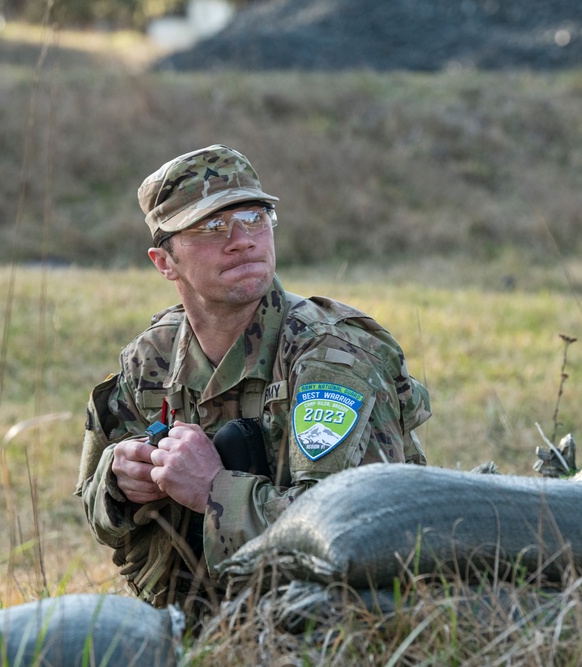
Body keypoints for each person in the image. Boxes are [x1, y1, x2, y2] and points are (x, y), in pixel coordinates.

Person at [75, 145, 431, 610]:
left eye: (255, 217)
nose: (242, 239)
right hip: (189, 625)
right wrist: (121, 482)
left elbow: (357, 530)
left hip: (333, 630)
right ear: (165, 262)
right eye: (212, 227)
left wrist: (213, 491)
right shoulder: (149, 360)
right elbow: (94, 508)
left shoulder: (332, 356)